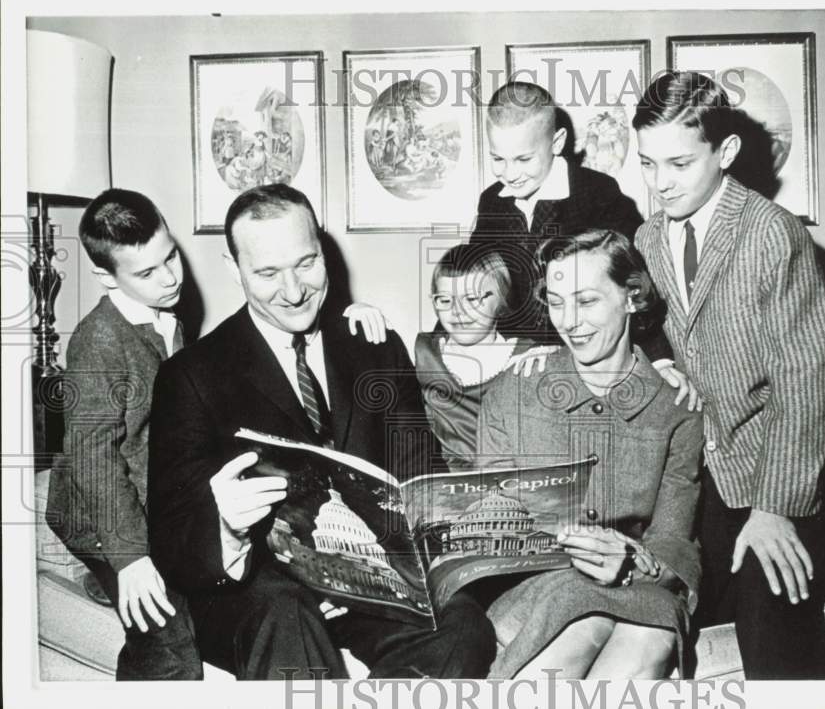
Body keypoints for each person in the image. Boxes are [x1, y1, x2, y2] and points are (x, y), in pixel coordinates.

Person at [146, 183, 495, 680]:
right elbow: (171, 535)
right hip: (265, 592)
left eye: (306, 264)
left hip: (373, 584)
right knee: (285, 613)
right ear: (234, 268)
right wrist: (224, 525)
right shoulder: (191, 376)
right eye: (267, 273)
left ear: (323, 249)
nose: (293, 292)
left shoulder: (374, 347)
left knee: (461, 625)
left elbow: (421, 473)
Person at [632, 71, 825, 679]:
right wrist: (658, 358)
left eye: (678, 164)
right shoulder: (645, 239)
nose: (660, 183)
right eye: (647, 164)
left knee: (770, 601)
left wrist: (775, 508)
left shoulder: (773, 233)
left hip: (776, 474)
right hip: (696, 482)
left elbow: (806, 381)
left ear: (724, 153)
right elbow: (648, 331)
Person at [474, 229, 703, 679]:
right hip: (538, 585)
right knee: (587, 619)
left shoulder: (676, 407)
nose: (569, 321)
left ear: (632, 297)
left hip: (640, 585)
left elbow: (674, 536)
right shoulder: (514, 390)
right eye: (557, 301)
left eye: (587, 301)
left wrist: (635, 560)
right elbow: (491, 515)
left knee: (650, 631)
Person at [45, 189, 203, 680]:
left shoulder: (170, 314)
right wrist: (129, 559)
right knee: (173, 651)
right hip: (96, 515)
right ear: (105, 276)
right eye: (148, 273)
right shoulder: (97, 343)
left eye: (170, 256)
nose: (171, 277)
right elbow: (94, 457)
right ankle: (107, 575)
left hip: (150, 494)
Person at [470, 81, 644, 341]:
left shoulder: (598, 193)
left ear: (557, 142)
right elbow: (474, 279)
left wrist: (659, 358)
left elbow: (633, 285)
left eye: (523, 159)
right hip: (512, 353)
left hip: (581, 348)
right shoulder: (492, 201)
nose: (509, 174)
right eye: (498, 159)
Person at [413, 243, 537, 470]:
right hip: (447, 483)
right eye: (444, 300)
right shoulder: (425, 353)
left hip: (509, 479)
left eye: (472, 299)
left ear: (502, 298)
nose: (458, 311)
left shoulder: (526, 356)